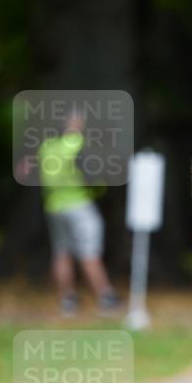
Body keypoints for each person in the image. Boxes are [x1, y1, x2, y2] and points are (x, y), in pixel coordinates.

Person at [38, 111, 120, 316]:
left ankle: (67, 300)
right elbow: (92, 174)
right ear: (75, 124)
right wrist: (99, 188)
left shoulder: (47, 147)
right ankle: (105, 296)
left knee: (61, 253)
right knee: (89, 252)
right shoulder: (78, 144)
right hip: (79, 204)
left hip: (54, 205)